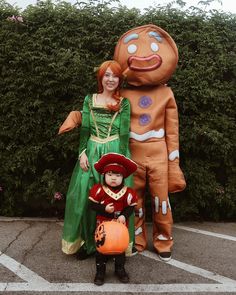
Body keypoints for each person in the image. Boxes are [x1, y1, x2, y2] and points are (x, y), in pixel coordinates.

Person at [61, 60, 135, 259]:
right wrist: (82, 152)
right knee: (87, 197)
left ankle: (114, 243)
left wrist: (118, 162)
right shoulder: (89, 99)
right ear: (101, 77)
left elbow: (124, 134)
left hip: (114, 151)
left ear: (119, 80)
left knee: (114, 197)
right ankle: (89, 243)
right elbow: (85, 128)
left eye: (115, 76)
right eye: (107, 75)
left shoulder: (124, 103)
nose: (110, 79)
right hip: (92, 151)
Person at [89, 153, 138, 285]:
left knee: (120, 251)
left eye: (118, 175)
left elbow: (130, 207)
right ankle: (100, 272)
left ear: (123, 177)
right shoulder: (99, 190)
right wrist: (103, 209)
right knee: (101, 251)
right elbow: (92, 205)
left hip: (119, 229)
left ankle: (119, 269)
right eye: (110, 175)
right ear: (104, 175)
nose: (114, 178)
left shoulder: (127, 192)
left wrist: (124, 215)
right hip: (103, 227)